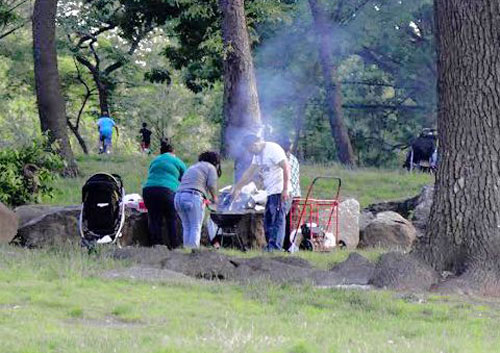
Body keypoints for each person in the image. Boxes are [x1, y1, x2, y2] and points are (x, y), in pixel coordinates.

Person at [231, 134, 290, 251]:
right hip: (270, 192)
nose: (250, 152)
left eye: (250, 149)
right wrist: (237, 187)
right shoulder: (258, 155)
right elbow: (249, 172)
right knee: (268, 220)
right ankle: (270, 246)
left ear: (255, 144)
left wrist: (285, 189)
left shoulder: (273, 149)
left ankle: (275, 248)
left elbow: (286, 167)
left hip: (279, 191)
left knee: (277, 220)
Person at [142, 140, 187, 248]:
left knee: (154, 218)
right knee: (171, 218)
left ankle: (156, 245)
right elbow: (185, 179)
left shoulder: (155, 160)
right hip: (167, 191)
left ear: (161, 152)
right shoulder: (177, 161)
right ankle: (174, 246)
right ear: (173, 151)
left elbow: (152, 174)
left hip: (148, 190)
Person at [175, 151, 222, 249]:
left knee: (187, 226)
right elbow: (211, 185)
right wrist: (215, 198)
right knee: (195, 227)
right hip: (193, 196)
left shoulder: (193, 167)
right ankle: (193, 253)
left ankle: (186, 252)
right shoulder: (210, 167)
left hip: (178, 197)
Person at [278, 137, 301, 251]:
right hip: (296, 193)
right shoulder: (294, 159)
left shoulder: (283, 159)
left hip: (288, 193)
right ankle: (287, 244)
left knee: (282, 219)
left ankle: (284, 244)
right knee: (289, 220)